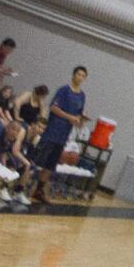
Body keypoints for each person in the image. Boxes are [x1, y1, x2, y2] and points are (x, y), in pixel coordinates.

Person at [30, 66, 89, 205]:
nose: (80, 77)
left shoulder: (82, 96)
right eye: (78, 74)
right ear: (73, 75)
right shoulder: (64, 90)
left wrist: (80, 120)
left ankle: (39, 190)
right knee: (38, 160)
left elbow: (78, 114)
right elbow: (54, 108)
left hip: (64, 135)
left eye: (83, 76)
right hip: (53, 131)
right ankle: (22, 186)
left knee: (50, 165)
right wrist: (69, 117)